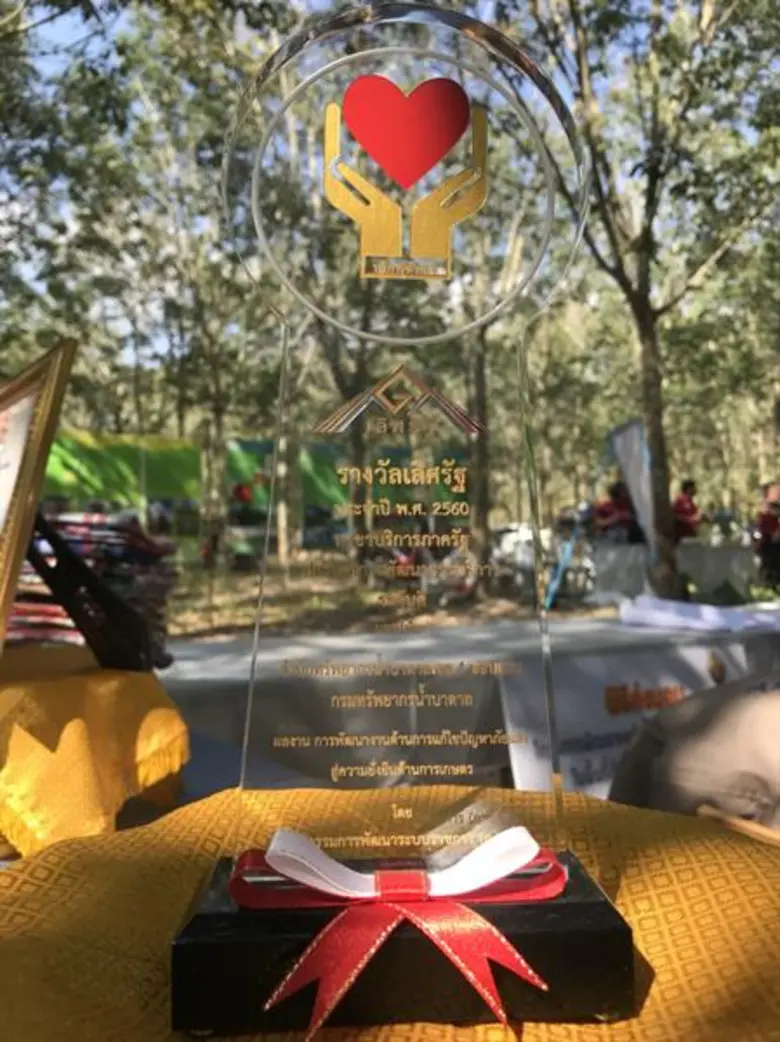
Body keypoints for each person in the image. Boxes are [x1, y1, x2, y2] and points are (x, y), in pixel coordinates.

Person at [756, 490, 780, 587]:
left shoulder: (775, 519)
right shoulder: (765, 517)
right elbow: (763, 530)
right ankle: (770, 578)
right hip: (767, 544)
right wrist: (773, 534)